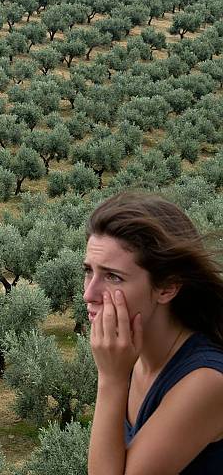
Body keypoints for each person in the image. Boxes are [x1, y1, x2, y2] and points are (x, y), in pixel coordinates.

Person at [83, 191, 223, 475]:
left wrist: (110, 380)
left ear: (167, 287)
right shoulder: (133, 356)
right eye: (88, 271)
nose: (89, 293)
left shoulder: (208, 381)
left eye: (112, 276)